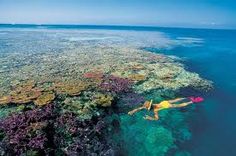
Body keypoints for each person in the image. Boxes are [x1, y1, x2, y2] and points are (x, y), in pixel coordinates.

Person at [128, 97, 204, 120]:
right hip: (163, 102)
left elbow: (156, 118)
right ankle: (187, 97)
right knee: (175, 100)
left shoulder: (155, 110)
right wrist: (132, 111)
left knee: (179, 105)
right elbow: (139, 108)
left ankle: (192, 102)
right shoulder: (152, 105)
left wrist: (149, 118)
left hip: (166, 106)